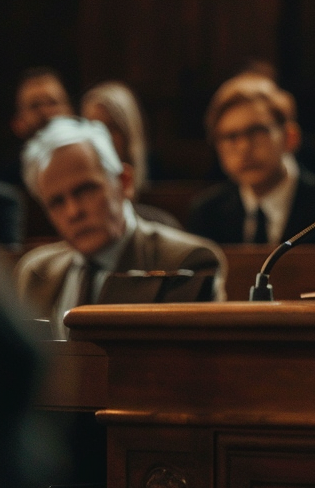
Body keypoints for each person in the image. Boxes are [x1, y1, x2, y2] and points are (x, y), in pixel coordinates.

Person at [14, 117, 226, 337]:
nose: (73, 212)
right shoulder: (35, 272)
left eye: (85, 190)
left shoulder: (187, 262)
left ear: (124, 182)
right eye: (56, 202)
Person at [188, 79, 315, 245]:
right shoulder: (206, 214)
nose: (244, 147)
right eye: (230, 136)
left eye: (257, 131)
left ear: (290, 137)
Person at [81, 81, 181, 229]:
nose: (101, 137)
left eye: (111, 127)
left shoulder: (160, 215)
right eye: (93, 127)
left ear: (129, 132)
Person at [2, 67, 73, 189]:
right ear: (18, 123)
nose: (45, 112)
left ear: (70, 112)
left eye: (53, 103)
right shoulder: (6, 188)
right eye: (35, 106)